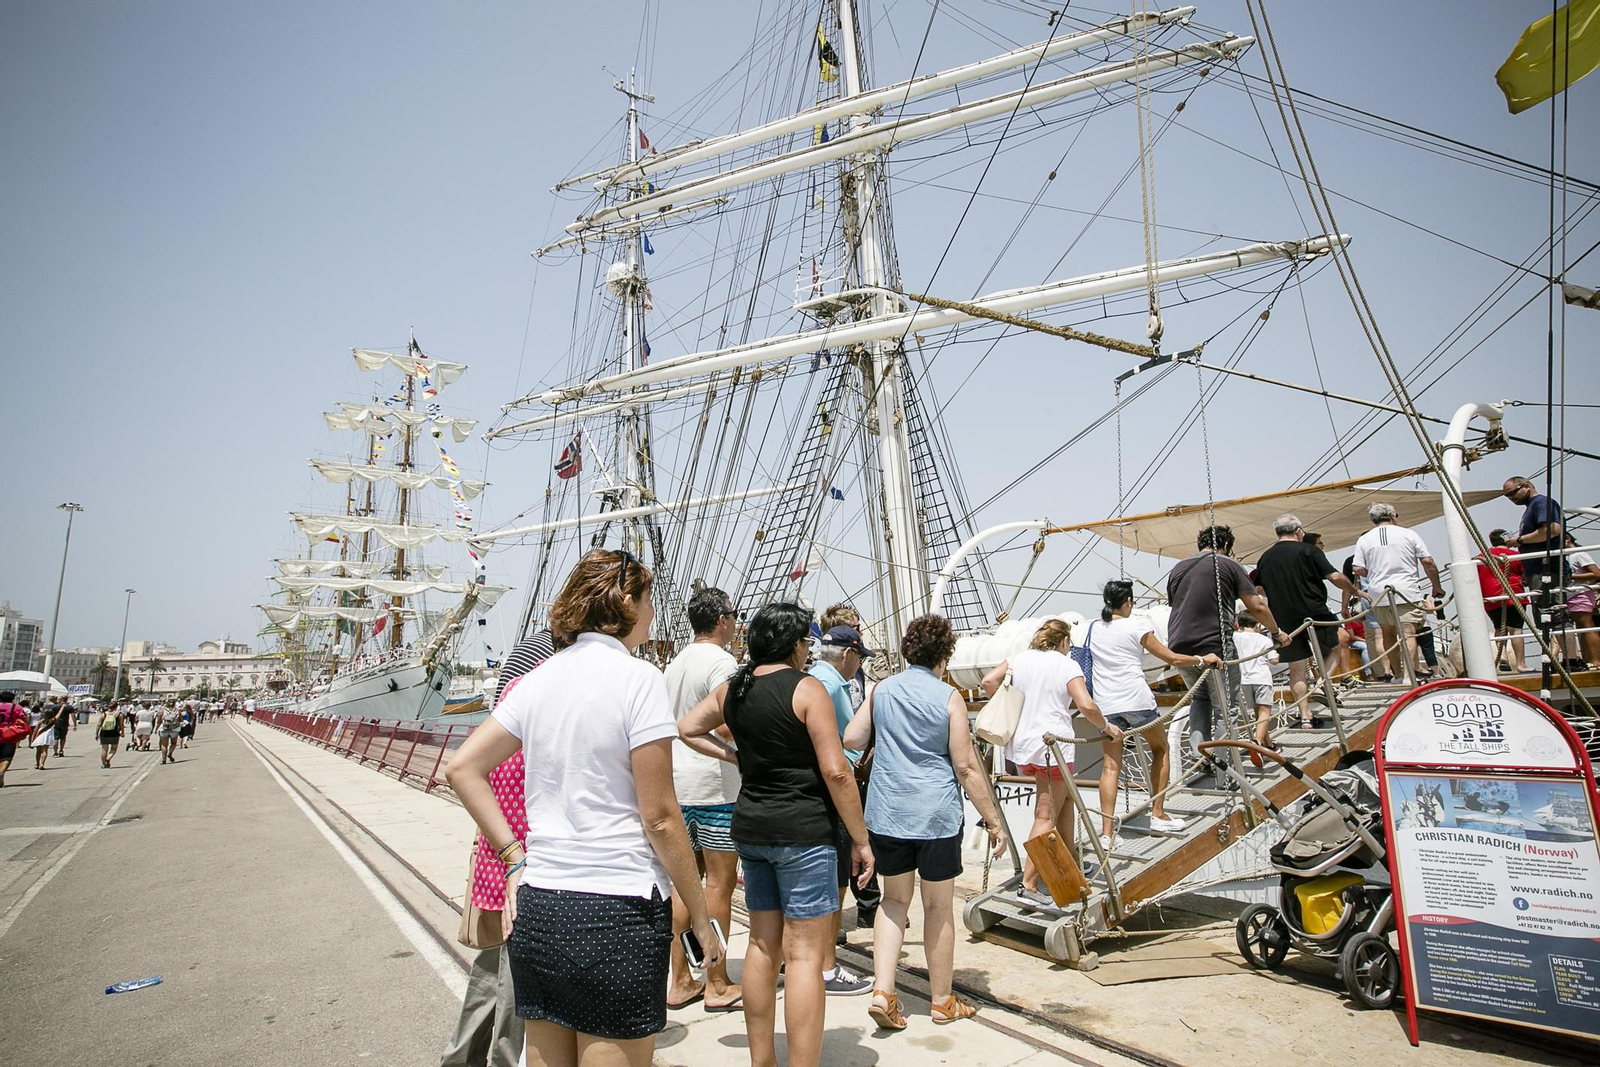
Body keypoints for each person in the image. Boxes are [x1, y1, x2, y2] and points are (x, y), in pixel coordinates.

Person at [446, 550, 720, 1067]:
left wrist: (514, 858)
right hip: (618, 910)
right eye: (648, 599)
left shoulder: (537, 679)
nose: (653, 612)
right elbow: (659, 815)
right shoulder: (638, 679)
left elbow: (463, 769)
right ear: (624, 602)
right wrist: (700, 916)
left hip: (541, 905)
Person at [678, 601, 874, 1067]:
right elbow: (837, 771)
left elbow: (687, 727)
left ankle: (762, 1059)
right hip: (803, 830)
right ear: (796, 644)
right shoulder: (807, 690)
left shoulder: (735, 688)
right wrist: (861, 839)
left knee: (763, 942)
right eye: (807, 643)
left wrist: (734, 756)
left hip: (752, 826)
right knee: (804, 955)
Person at [840, 613, 1007, 1031]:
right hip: (935, 816)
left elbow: (852, 739)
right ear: (944, 655)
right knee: (937, 905)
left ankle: (883, 990)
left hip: (888, 813)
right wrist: (994, 822)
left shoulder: (880, 689)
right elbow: (966, 767)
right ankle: (941, 1000)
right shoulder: (949, 697)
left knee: (894, 901)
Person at [439, 627, 559, 1067]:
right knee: (515, 977)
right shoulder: (538, 701)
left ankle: (460, 1056)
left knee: (491, 969)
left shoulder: (506, 707)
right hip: (524, 854)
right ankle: (506, 1060)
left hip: (498, 846)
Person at [662, 588, 744, 1013]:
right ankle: (716, 980)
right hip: (715, 786)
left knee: (683, 884)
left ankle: (678, 979)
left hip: (677, 785)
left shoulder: (674, 663)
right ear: (722, 620)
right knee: (718, 885)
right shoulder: (722, 662)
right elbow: (729, 723)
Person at [979, 619, 1103, 899]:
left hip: (1023, 746)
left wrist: (1007, 705)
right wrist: (1106, 727)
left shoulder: (1020, 659)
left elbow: (988, 681)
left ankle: (1069, 862)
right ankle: (1029, 882)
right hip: (1053, 747)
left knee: (1066, 799)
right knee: (1045, 815)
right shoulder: (1067, 665)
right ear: (1063, 642)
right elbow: (1085, 704)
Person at [1085, 580, 1213, 842]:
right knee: (1161, 749)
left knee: (1111, 767)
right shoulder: (1137, 625)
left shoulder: (1093, 628)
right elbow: (1172, 658)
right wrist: (1203, 660)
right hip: (1137, 701)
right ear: (1129, 601)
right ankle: (1158, 814)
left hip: (1106, 705)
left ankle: (1107, 834)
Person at [1166, 525, 1286, 764]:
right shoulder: (1227, 564)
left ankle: (1200, 759)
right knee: (1226, 708)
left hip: (1179, 644)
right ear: (1227, 546)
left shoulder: (1178, 568)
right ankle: (1226, 774)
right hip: (1214, 644)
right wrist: (1277, 632)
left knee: (1200, 700)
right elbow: (1257, 606)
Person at [807, 625, 875, 995]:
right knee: (836, 884)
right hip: (834, 791)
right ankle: (828, 967)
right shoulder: (834, 685)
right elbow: (847, 746)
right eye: (859, 659)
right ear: (849, 655)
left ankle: (803, 956)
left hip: (806, 793)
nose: (858, 667)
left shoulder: (808, 678)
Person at [1254, 514, 1359, 728]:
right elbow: (1335, 577)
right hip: (1314, 611)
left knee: (1297, 668)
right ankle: (1321, 683)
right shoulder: (1309, 550)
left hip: (1283, 617)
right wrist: (1355, 590)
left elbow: (1259, 588)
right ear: (1298, 531)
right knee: (1340, 641)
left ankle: (1305, 717)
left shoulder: (1265, 557)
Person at [816, 602, 884, 934]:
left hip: (833, 775)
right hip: (841, 776)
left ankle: (864, 908)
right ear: (846, 653)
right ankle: (830, 938)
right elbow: (849, 738)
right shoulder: (832, 685)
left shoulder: (818, 677)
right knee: (846, 851)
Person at [1352, 503, 1445, 682]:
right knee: (1408, 632)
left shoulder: (1364, 539)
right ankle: (1409, 676)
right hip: (1406, 590)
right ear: (1392, 515)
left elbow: (1357, 568)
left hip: (1378, 593)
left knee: (1387, 633)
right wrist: (1436, 586)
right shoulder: (1408, 534)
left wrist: (1373, 572)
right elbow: (1428, 561)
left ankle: (1398, 674)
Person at [1503, 476, 1567, 604]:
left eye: (1512, 493)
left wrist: (1519, 540)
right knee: (1543, 614)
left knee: (1551, 613)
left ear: (1527, 486)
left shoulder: (1541, 503)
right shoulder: (1533, 506)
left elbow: (1552, 529)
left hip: (1547, 569)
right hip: (1537, 570)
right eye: (1507, 496)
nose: (1511, 498)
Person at [1477, 529, 1529, 673]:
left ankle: (1503, 658)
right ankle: (1521, 664)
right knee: (1516, 629)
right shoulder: (1516, 556)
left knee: (1499, 628)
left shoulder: (1481, 557)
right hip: (1514, 594)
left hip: (1491, 597)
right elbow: (1526, 575)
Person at [1234, 615, 1279, 748]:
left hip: (1245, 680)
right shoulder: (1264, 640)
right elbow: (1274, 661)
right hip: (1262, 678)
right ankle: (1257, 743)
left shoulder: (1236, 638)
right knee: (1265, 711)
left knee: (1257, 712)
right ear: (1258, 624)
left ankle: (1269, 744)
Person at [1562, 533, 1600, 668]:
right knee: (1581, 628)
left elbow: (1596, 573)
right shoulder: (1568, 557)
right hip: (1572, 595)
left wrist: (1571, 576)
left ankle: (1596, 661)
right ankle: (1588, 659)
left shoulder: (1579, 554)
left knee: (1587, 626)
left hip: (1581, 593)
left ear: (1567, 539)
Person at [0, 690, 29, 787]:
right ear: (12, 699)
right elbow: (24, 720)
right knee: (7, 756)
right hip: (9, 734)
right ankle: (2, 771)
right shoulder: (16, 707)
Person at [98, 702, 124, 768]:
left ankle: (104, 764)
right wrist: (122, 732)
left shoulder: (104, 714)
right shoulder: (119, 714)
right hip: (114, 733)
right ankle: (108, 758)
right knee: (114, 749)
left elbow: (99, 724)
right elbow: (121, 725)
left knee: (104, 749)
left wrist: (96, 733)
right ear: (116, 707)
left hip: (104, 733)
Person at [30, 703, 54, 770]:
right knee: (44, 751)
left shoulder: (41, 721)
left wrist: (32, 738)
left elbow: (35, 730)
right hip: (47, 736)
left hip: (39, 736)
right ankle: (42, 764)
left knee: (38, 751)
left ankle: (37, 764)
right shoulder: (52, 721)